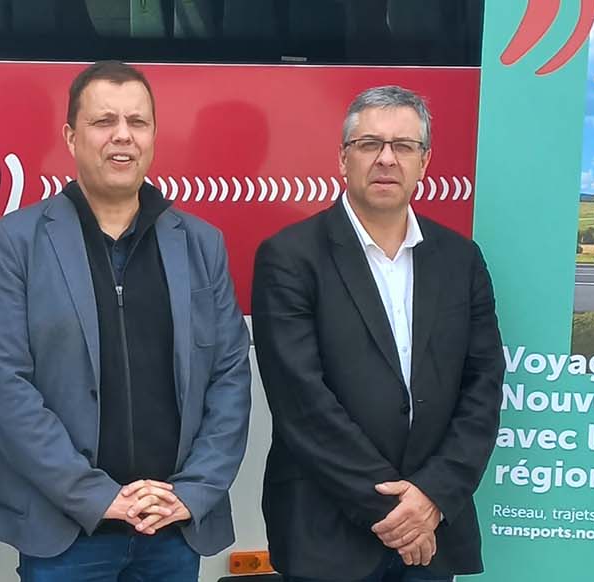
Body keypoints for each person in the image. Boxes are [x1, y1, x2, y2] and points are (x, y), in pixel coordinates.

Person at [0, 60, 252, 581]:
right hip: (67, 534)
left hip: (171, 528)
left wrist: (193, 493)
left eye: (137, 122)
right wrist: (99, 497)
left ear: (153, 136)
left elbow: (230, 379)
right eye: (104, 122)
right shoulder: (16, 242)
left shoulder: (201, 244)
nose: (122, 136)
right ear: (71, 136)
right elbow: (6, 387)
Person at [250, 85, 503, 582]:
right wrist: (397, 514)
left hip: (432, 532)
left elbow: (483, 385)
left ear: (424, 161)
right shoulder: (289, 257)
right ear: (343, 159)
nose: (387, 159)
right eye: (369, 144)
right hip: (327, 532)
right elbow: (301, 400)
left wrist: (431, 496)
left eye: (403, 146)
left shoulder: (460, 260)